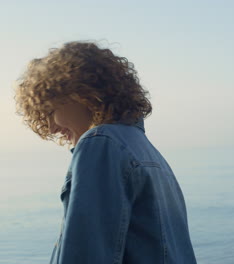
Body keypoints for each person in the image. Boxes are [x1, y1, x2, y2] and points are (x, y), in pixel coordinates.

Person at [14, 41, 197, 263]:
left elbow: (86, 256)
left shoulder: (101, 144)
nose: (52, 127)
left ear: (81, 95)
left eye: (51, 111)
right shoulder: (148, 153)